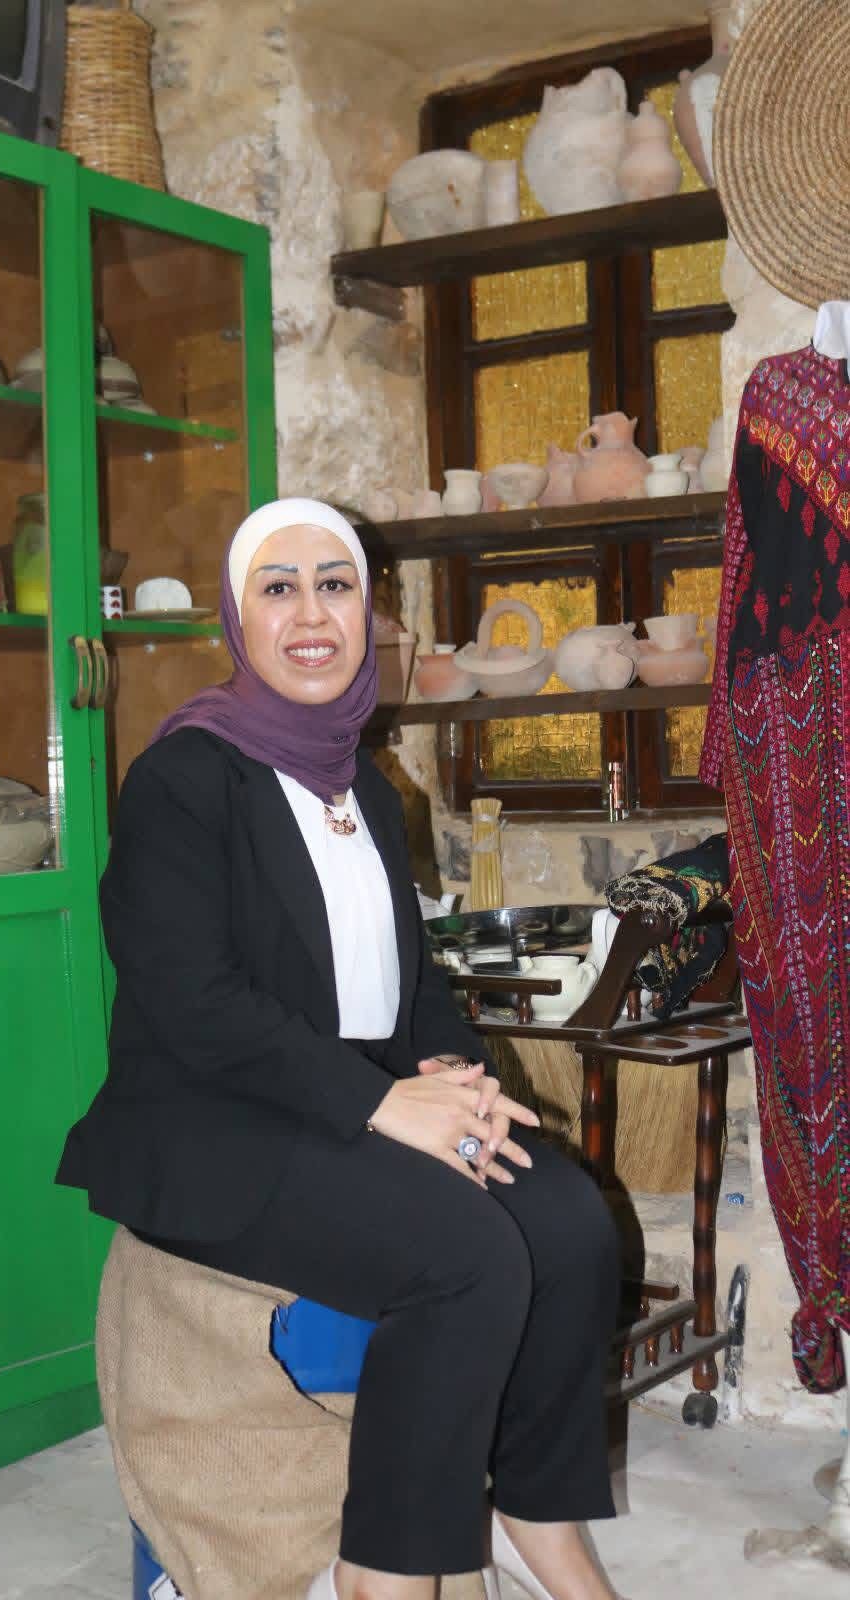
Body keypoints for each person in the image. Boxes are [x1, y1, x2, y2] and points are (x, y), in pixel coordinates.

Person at [58, 498, 622, 1600]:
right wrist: (383, 1106)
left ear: (370, 612)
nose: (311, 615)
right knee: (464, 1254)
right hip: (212, 1124)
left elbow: (410, 987)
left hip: (338, 1107)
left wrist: (455, 1077)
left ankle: (532, 1514)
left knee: (565, 1221)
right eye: (279, 589)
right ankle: (385, 1569)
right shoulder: (183, 778)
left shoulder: (363, 784)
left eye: (337, 585)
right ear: (238, 619)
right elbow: (192, 1003)